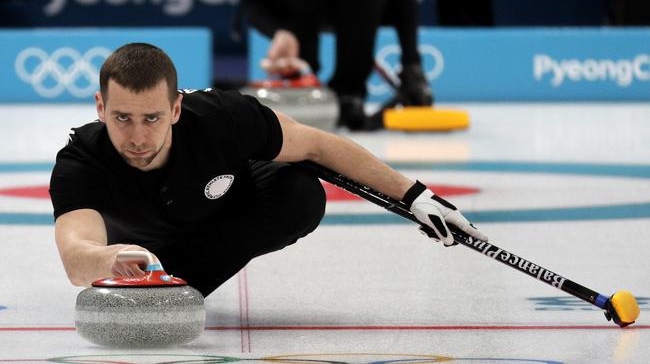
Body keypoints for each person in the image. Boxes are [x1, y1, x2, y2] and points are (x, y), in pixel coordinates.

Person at [49, 43, 486, 298]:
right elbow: (77, 257)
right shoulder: (81, 162)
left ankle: (182, 283)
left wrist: (414, 195)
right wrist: (112, 259)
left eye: (152, 118)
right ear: (100, 107)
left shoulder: (222, 116)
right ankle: (166, 275)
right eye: (122, 118)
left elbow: (317, 144)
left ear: (176, 108)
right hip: (143, 246)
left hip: (223, 212)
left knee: (301, 192)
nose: (138, 137)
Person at [242, 0, 433, 131]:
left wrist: (411, 63)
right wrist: (280, 32)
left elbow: (405, 3)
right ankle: (301, 77)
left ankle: (349, 93)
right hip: (296, 22)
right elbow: (250, 5)